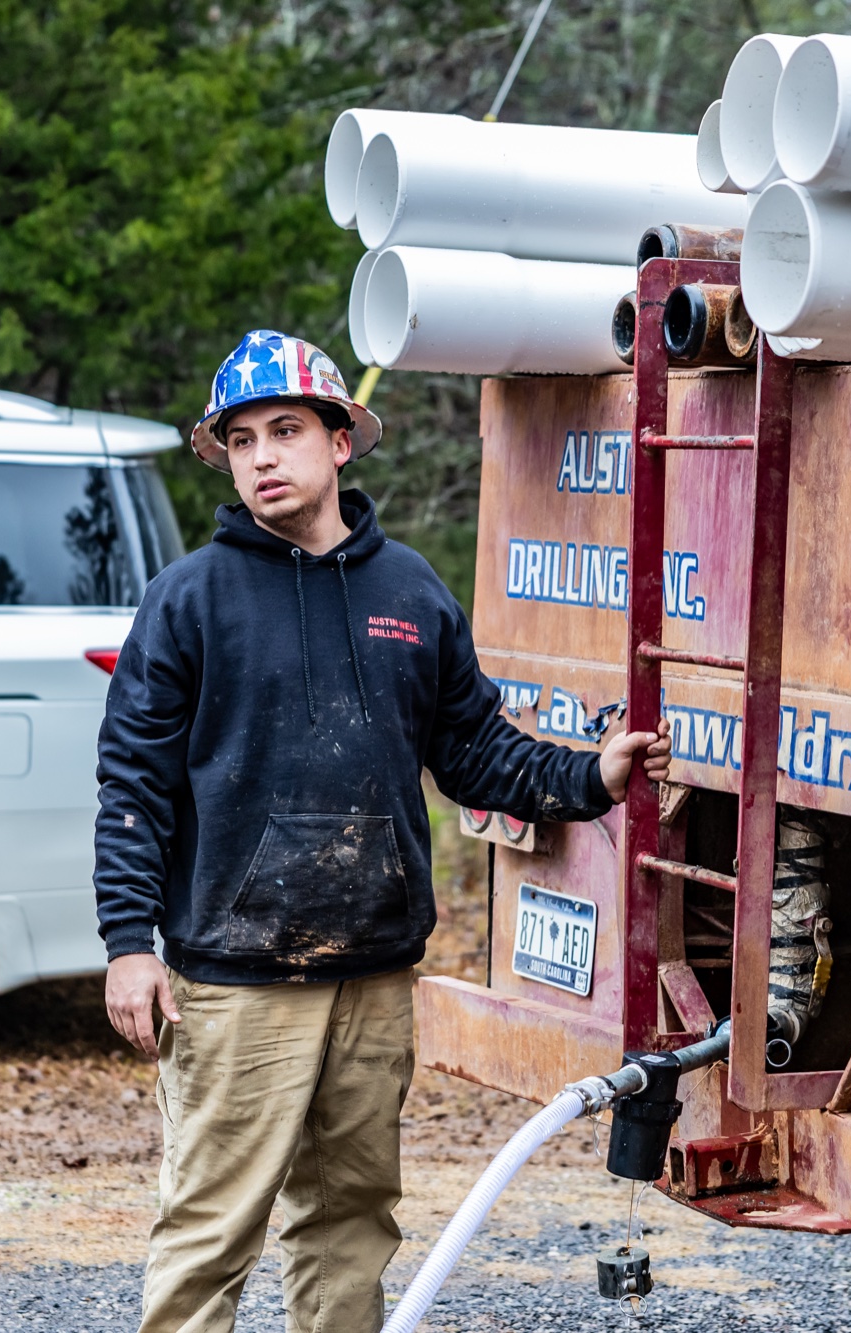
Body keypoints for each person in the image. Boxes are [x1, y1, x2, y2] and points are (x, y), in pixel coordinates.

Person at [93, 329, 670, 1333]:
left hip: (370, 972)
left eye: (285, 430)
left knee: (350, 1220)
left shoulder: (409, 593)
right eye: (240, 441)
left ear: (339, 442)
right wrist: (127, 945)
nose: (264, 456)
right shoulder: (188, 601)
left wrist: (591, 775)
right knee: (210, 1230)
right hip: (234, 981)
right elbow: (131, 784)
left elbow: (477, 755)